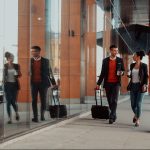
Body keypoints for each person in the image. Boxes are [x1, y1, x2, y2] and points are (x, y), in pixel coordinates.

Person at [96, 45, 125, 124]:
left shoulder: (120, 60)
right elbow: (102, 73)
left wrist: (122, 73)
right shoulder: (105, 61)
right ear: (110, 51)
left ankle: (111, 117)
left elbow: (123, 70)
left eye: (116, 51)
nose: (116, 52)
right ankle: (114, 114)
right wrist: (98, 83)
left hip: (116, 83)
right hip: (108, 83)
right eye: (114, 50)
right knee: (110, 100)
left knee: (115, 100)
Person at [30, 46, 54, 122]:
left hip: (43, 84)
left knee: (43, 100)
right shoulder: (30, 61)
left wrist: (53, 83)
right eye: (32, 51)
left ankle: (42, 116)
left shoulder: (46, 61)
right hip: (34, 84)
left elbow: (50, 72)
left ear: (38, 52)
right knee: (34, 100)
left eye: (34, 51)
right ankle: (35, 117)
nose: (32, 53)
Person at [127, 51, 148, 127]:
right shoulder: (132, 65)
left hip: (141, 86)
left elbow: (146, 76)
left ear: (138, 57)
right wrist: (128, 75)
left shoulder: (144, 66)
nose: (133, 57)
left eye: (134, 55)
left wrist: (145, 84)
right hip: (133, 86)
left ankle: (138, 119)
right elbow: (131, 75)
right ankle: (136, 115)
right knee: (133, 104)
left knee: (138, 104)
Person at [3, 52, 21, 124]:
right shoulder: (5, 66)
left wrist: (18, 73)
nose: (12, 58)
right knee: (8, 102)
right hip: (7, 85)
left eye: (13, 57)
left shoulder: (16, 65)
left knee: (13, 101)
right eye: (11, 57)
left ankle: (16, 113)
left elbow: (19, 75)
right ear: (8, 59)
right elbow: (4, 75)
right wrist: (3, 79)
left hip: (15, 86)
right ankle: (9, 118)